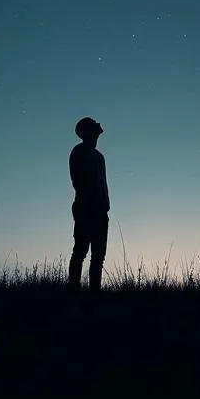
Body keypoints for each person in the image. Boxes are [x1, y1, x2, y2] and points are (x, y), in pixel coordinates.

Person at [67, 116, 110, 293]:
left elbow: (103, 183)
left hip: (100, 211)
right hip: (86, 209)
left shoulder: (99, 156)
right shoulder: (79, 152)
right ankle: (74, 291)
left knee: (98, 257)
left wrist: (105, 205)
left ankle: (94, 293)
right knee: (80, 252)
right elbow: (78, 181)